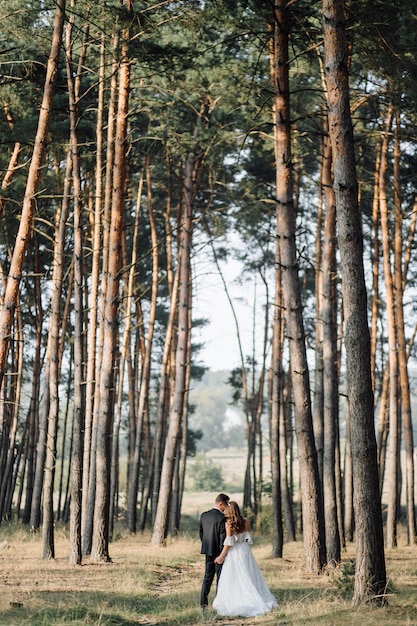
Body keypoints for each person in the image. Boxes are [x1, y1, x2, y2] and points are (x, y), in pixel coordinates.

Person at [212, 501, 278, 617]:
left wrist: (221, 556)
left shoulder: (229, 523)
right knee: (249, 573)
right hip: (245, 550)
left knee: (235, 575)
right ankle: (257, 595)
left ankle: (240, 598)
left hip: (235, 552)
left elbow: (229, 543)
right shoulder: (246, 521)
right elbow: (247, 538)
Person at [199, 493, 230, 608]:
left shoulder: (204, 515)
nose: (227, 507)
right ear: (220, 503)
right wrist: (222, 555)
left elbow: (201, 534)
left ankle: (203, 603)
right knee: (220, 578)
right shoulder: (222, 518)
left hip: (208, 551)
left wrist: (207, 545)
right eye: (226, 504)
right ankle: (218, 603)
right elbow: (223, 537)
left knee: (207, 577)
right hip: (219, 552)